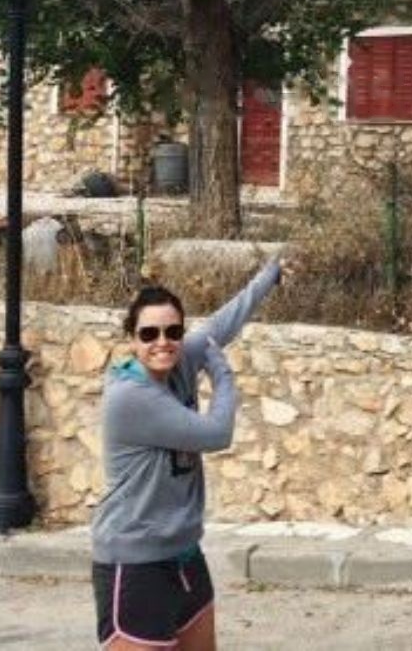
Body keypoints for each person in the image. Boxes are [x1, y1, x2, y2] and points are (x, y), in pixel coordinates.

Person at [91, 256, 282, 650]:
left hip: (184, 553)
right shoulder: (131, 397)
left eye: (173, 331)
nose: (162, 342)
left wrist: (272, 274)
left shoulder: (177, 360)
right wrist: (221, 372)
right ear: (132, 340)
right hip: (136, 561)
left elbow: (223, 323)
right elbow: (217, 433)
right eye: (149, 334)